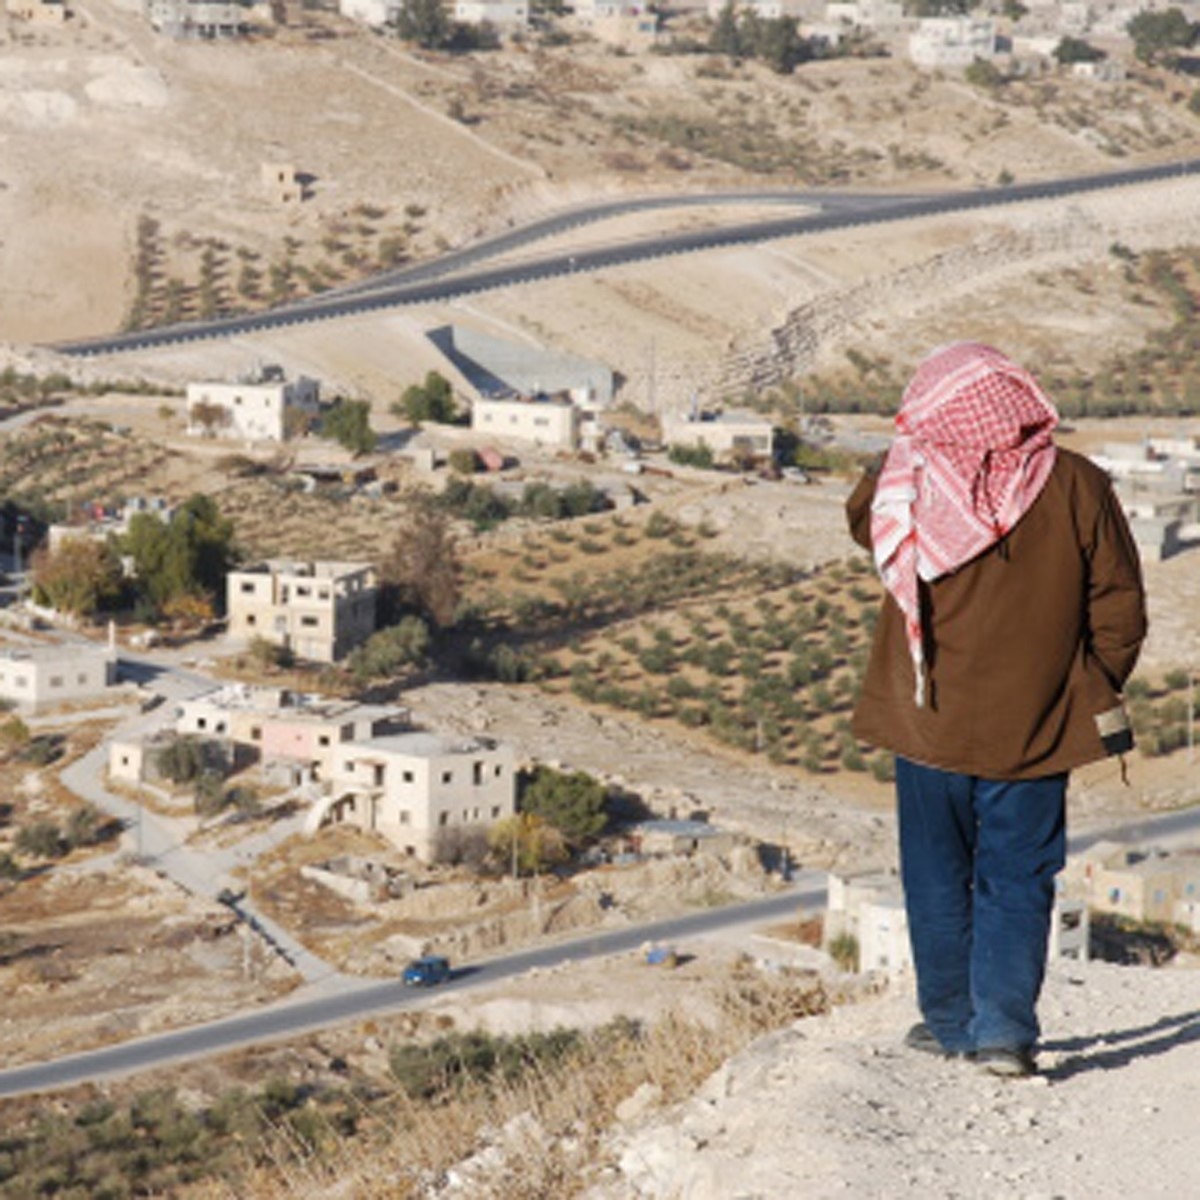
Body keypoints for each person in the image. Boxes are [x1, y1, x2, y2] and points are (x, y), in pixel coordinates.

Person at [845, 341, 1147, 1077]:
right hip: (1037, 727)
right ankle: (1004, 1034)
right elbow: (1121, 608)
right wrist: (1083, 684)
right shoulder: (1077, 484)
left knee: (935, 875)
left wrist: (908, 450)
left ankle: (950, 1024)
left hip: (928, 726)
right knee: (1018, 877)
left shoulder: (905, 483)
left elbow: (862, 524)